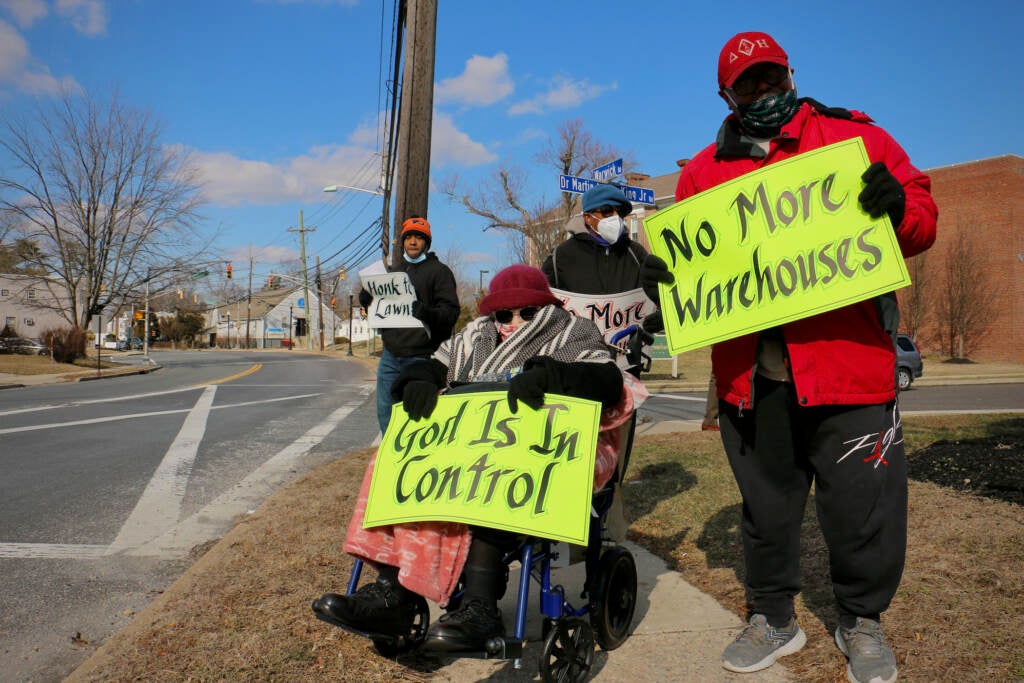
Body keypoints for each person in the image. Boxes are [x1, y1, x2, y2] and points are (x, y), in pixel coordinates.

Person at [643, 31, 937, 683]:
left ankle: (861, 619)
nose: (764, 91)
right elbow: (689, 280)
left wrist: (898, 212)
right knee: (767, 509)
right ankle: (774, 617)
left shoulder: (857, 141)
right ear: (726, 95)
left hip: (848, 366)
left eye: (772, 77)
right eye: (748, 84)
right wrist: (664, 288)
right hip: (755, 380)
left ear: (791, 75)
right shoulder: (700, 175)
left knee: (863, 503)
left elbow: (921, 215)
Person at [313, 265, 642, 652]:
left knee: (493, 479)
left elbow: (606, 381)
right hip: (477, 445)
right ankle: (392, 592)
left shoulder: (572, 330)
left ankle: (481, 607)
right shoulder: (476, 335)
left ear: (545, 308)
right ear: (493, 314)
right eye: (505, 314)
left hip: (547, 449)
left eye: (527, 313)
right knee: (401, 466)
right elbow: (435, 362)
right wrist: (419, 378)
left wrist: (553, 376)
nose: (514, 322)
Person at [358, 217, 460, 435]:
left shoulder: (439, 272)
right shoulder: (393, 272)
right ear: (403, 241)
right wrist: (368, 297)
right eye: (409, 237)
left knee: (416, 414)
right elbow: (380, 307)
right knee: (386, 412)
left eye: (419, 238)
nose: (413, 242)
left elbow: (451, 313)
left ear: (427, 243)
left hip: (423, 357)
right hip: (390, 356)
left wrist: (427, 313)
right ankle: (391, 455)